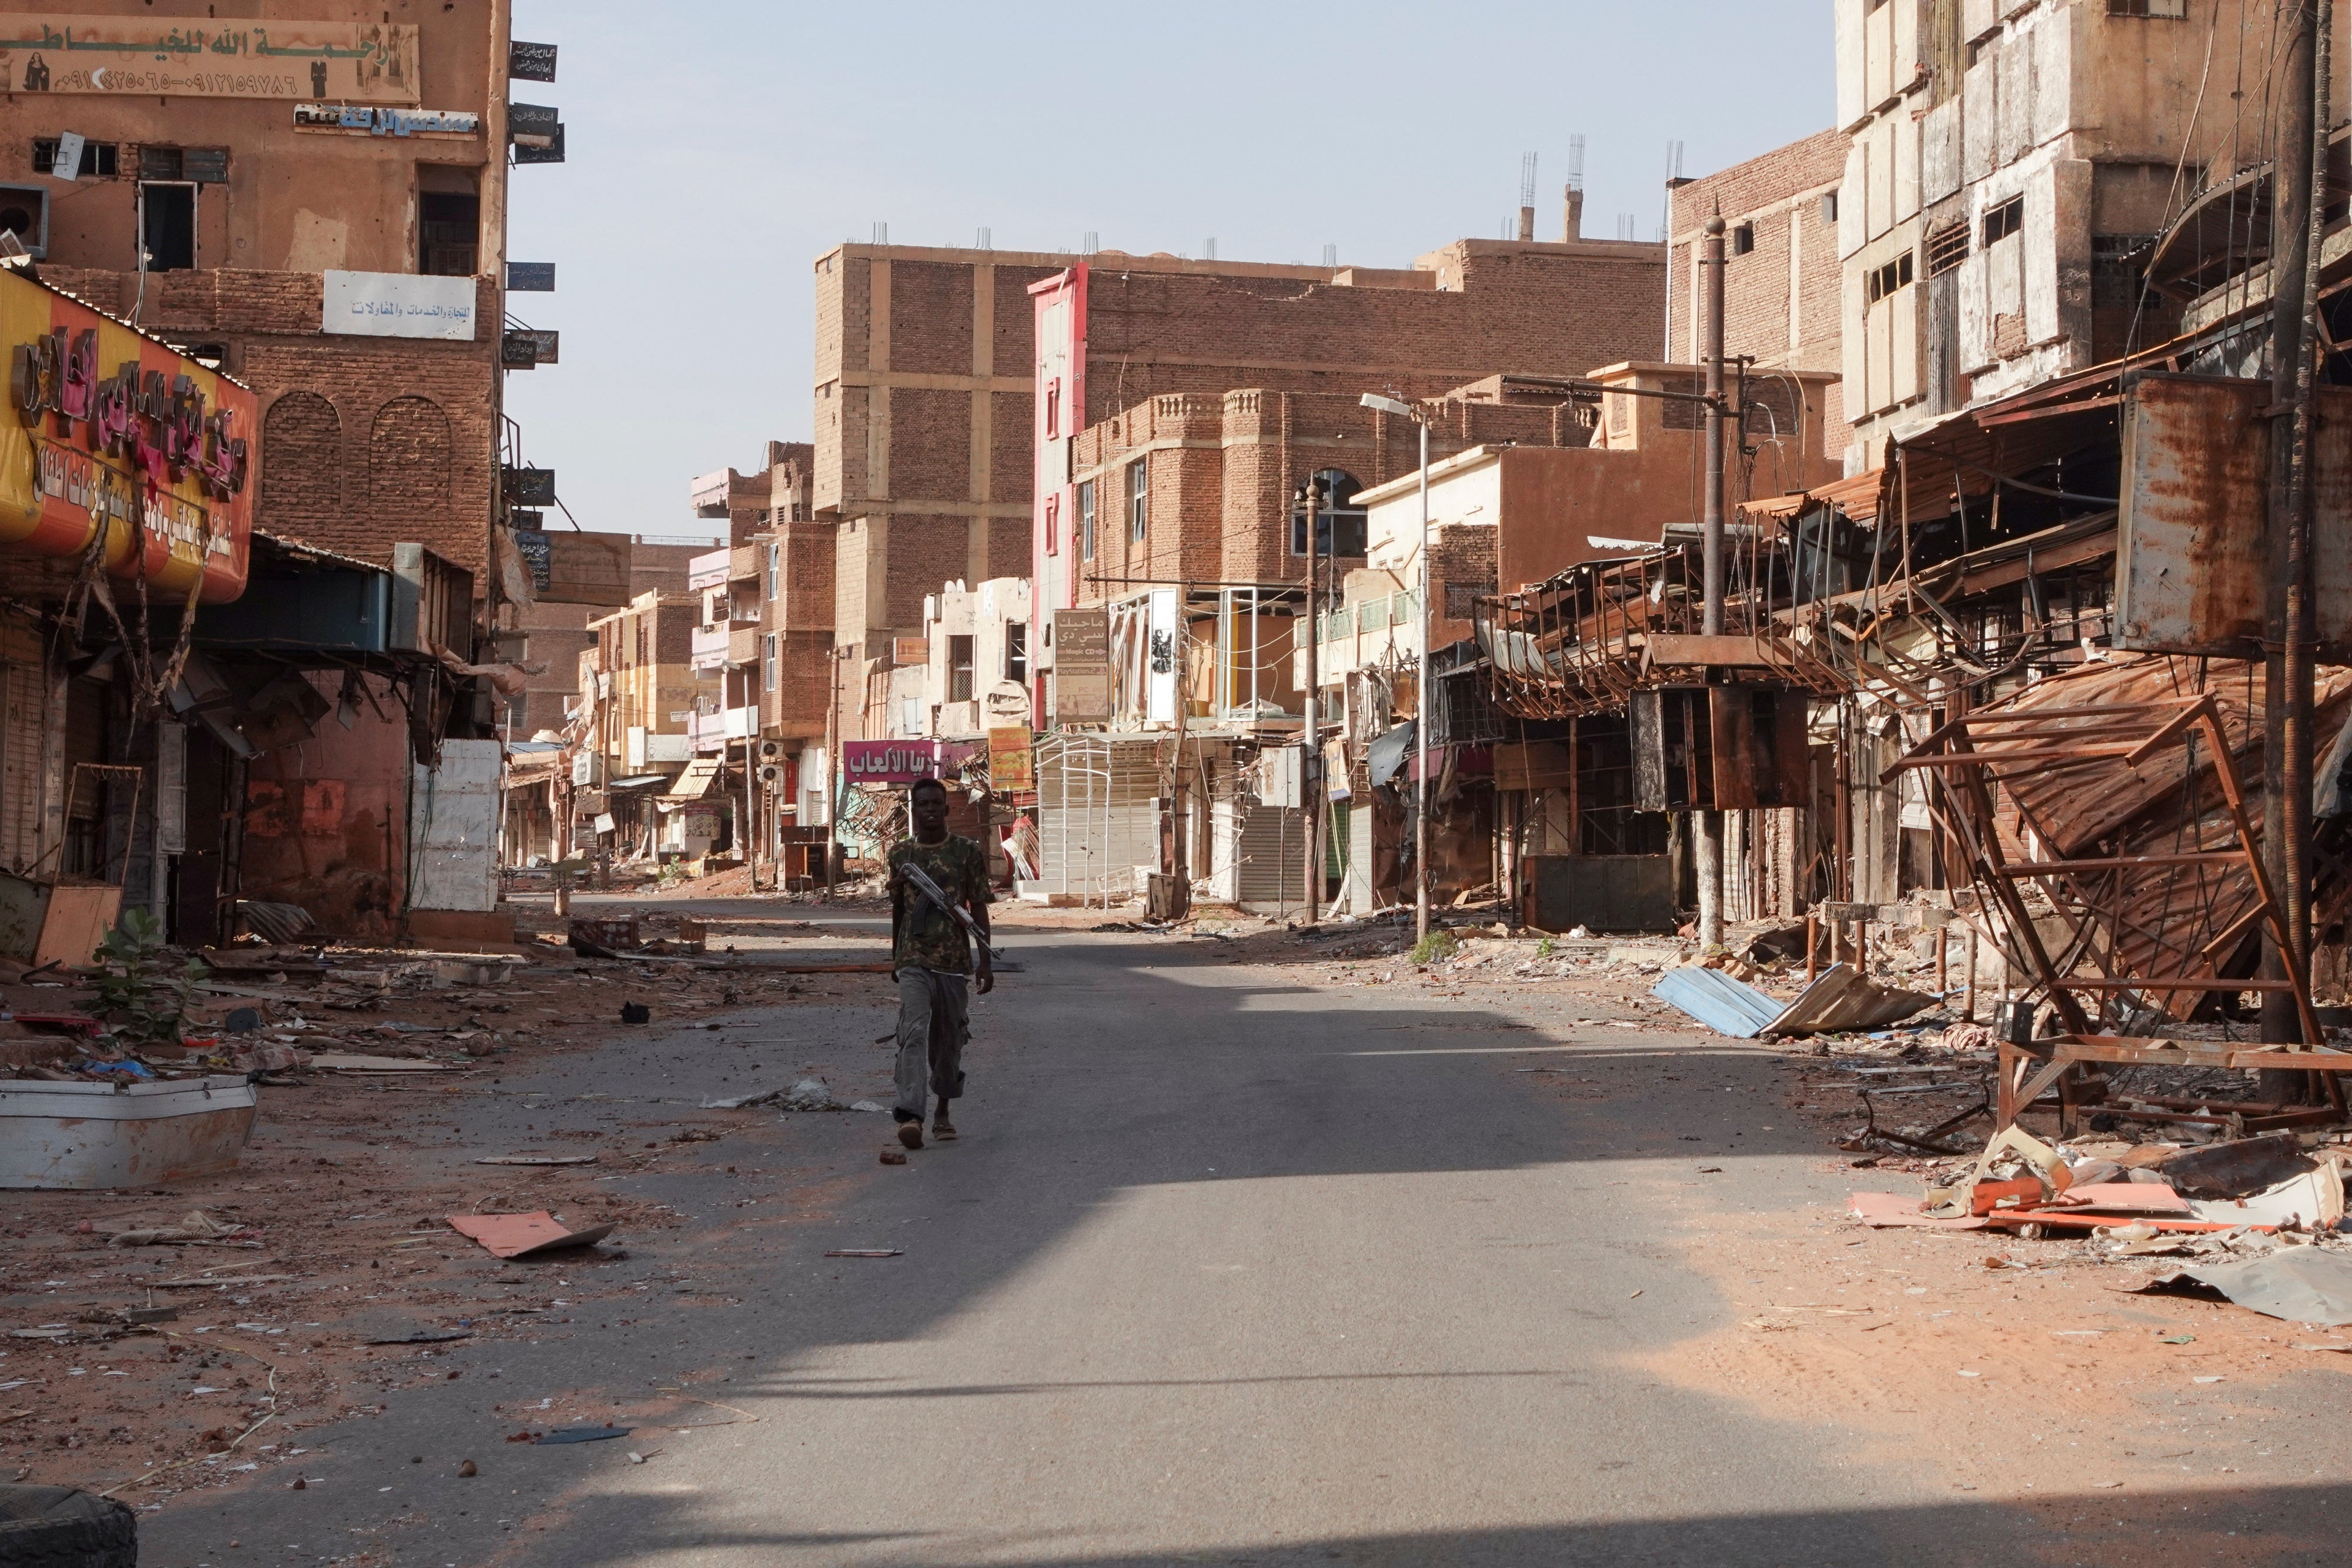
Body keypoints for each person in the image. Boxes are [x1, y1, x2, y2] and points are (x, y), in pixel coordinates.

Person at [885, 775, 993, 1151]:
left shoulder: (966, 852)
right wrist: (894, 957)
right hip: (914, 958)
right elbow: (898, 909)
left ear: (946, 810)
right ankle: (911, 1114)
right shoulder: (901, 854)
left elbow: (978, 908)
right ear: (913, 812)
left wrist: (985, 962)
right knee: (912, 1033)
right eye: (922, 805)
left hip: (953, 961)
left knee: (948, 1040)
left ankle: (943, 1110)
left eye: (935, 804)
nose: (929, 810)